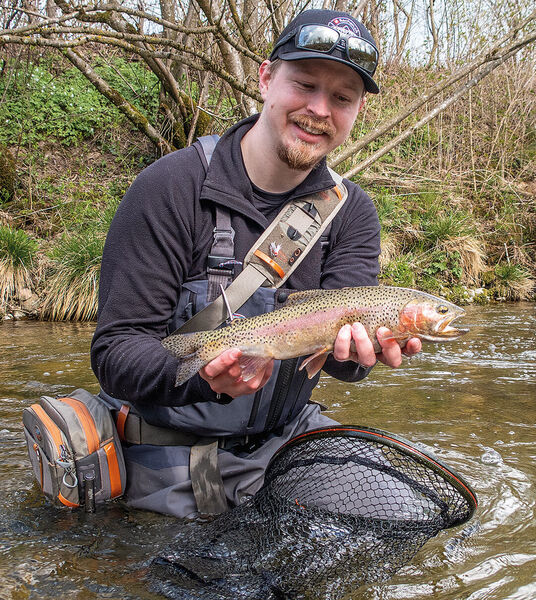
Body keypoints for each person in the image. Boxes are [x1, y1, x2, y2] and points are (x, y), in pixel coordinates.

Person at [91, 8, 422, 519]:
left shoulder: (351, 211)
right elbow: (115, 354)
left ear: (357, 110)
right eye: (305, 84)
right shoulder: (170, 187)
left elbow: (337, 359)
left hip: (286, 445)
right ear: (266, 78)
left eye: (342, 98)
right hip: (166, 447)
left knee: (398, 513)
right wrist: (206, 374)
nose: (319, 110)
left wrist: (359, 354)